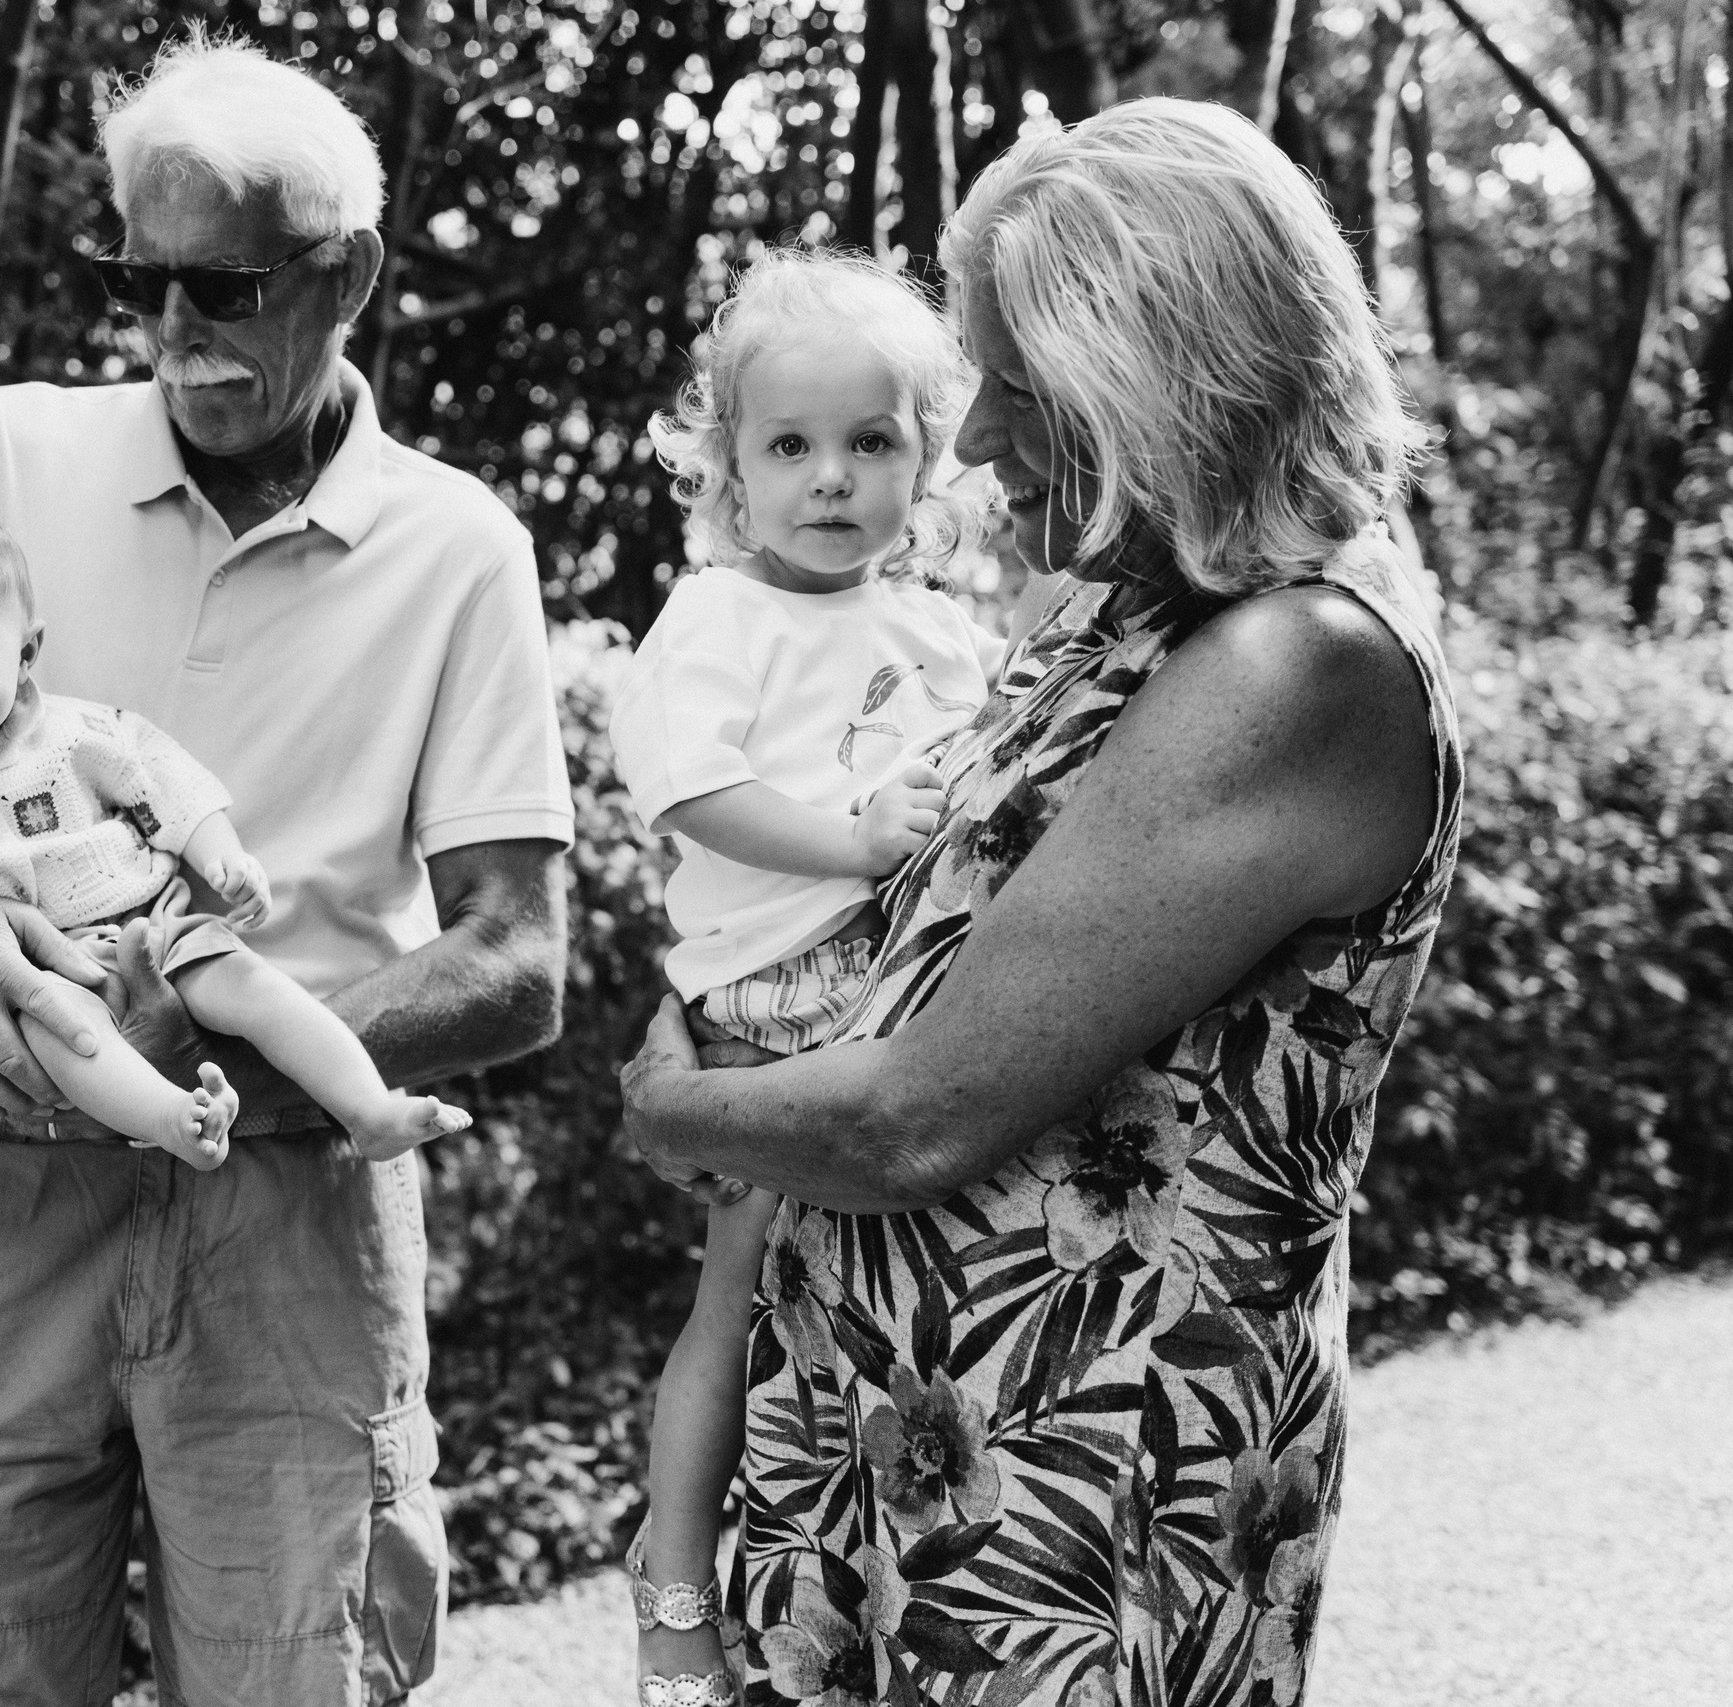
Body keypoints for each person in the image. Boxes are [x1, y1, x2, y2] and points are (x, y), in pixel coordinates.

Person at [618, 98, 1459, 1707]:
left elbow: (914, 1118)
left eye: (1012, 381)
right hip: (903, 1453)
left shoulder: (1294, 664)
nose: (978, 437)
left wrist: (679, 1104)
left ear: (1155, 375)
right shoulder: (1108, 615)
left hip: (1068, 1495)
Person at [0, 34, 571, 1707]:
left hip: (290, 1212)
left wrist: (212, 1043)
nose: (176, 333)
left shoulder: (456, 547)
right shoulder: (8, 455)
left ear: (345, 273)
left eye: (225, 287)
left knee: (304, 1676)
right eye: (146, 284)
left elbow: (518, 959)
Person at [604, 248, 991, 1707]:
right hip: (772, 994)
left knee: (868, 1305)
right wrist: (850, 842)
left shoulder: (941, 630)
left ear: (926, 458)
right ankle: (674, 1575)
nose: (832, 478)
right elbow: (686, 788)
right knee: (733, 1291)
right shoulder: (719, 615)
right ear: (729, 469)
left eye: (871, 442)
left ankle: (869, 1572)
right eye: (790, 445)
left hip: (896, 981)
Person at [0, 496, 472, 1164]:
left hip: (154, 926)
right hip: (29, 974)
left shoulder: (74, 734)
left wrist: (221, 853)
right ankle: (174, 1118)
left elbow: (165, 778)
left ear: (27, 651)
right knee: (65, 1036)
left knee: (258, 988)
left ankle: (368, 1109)